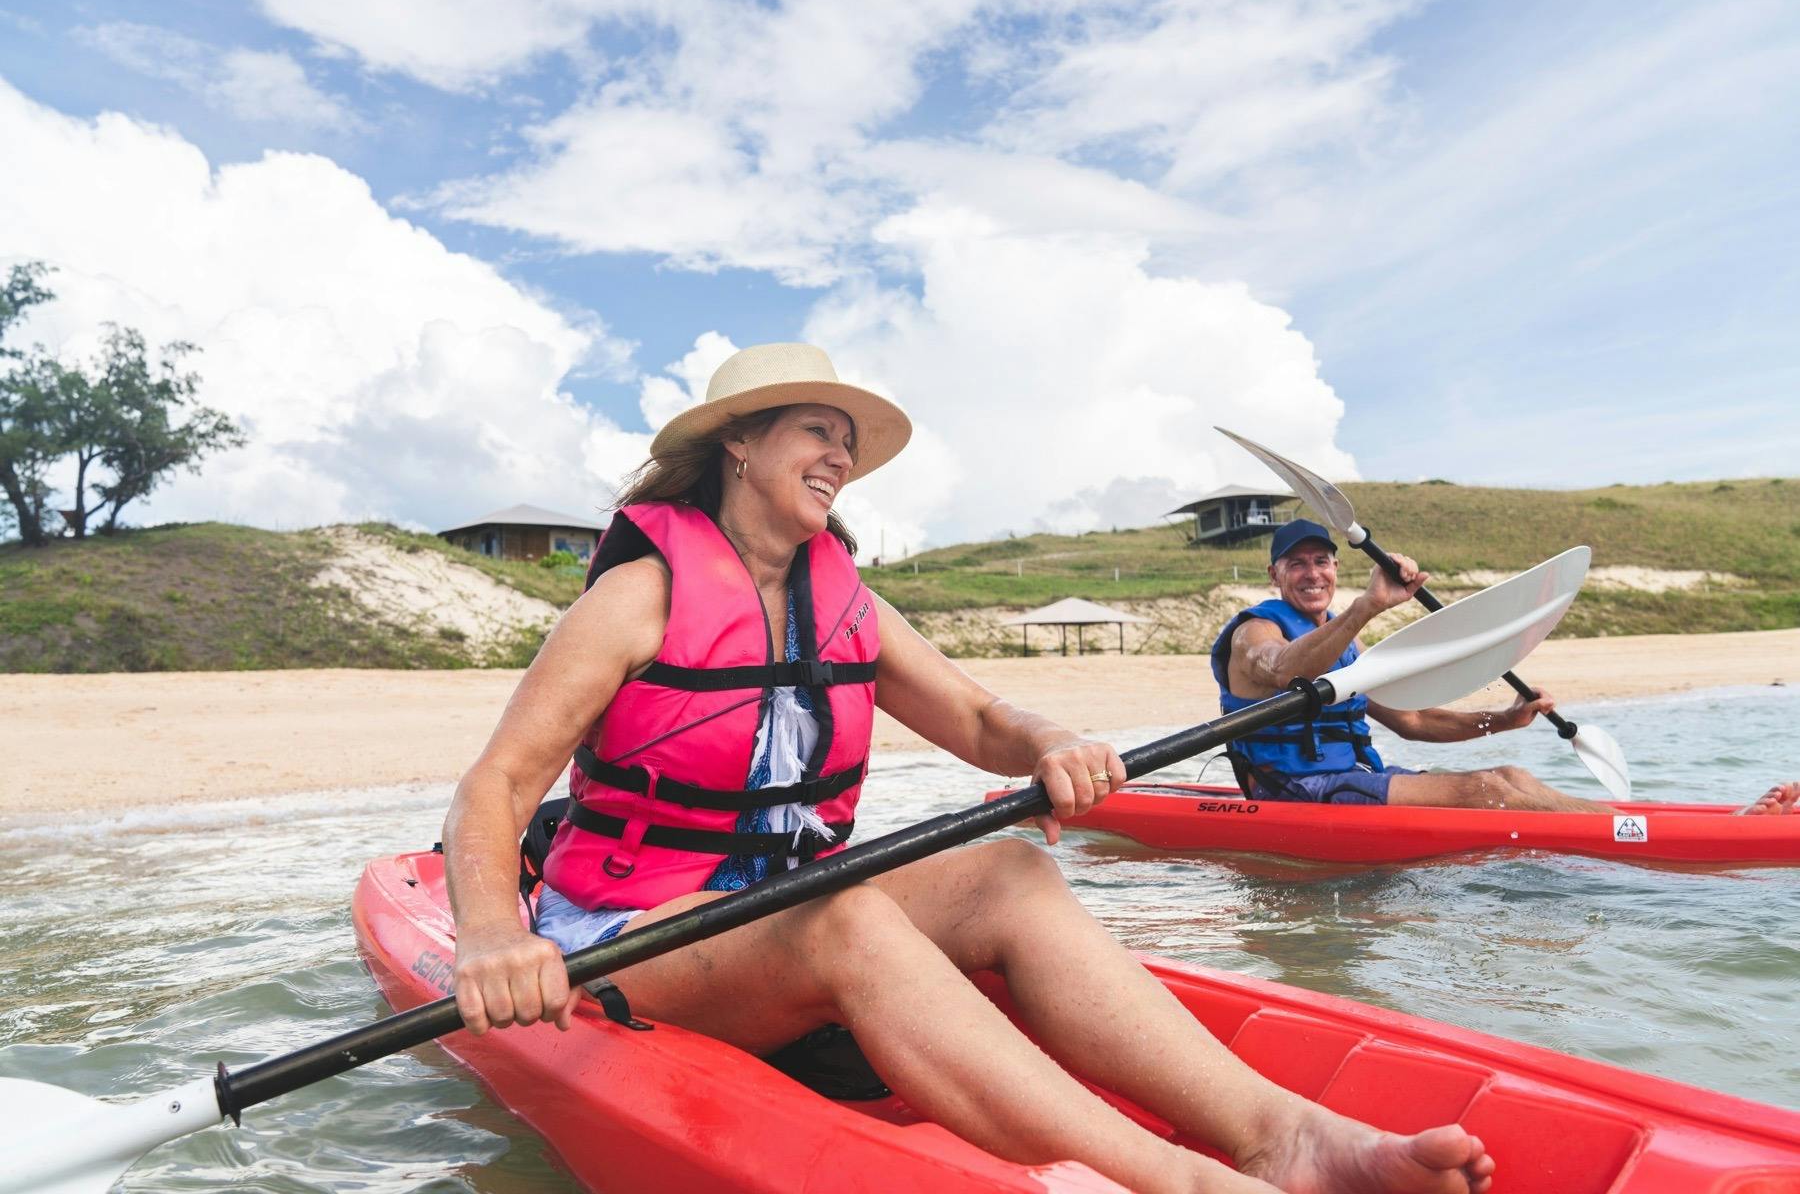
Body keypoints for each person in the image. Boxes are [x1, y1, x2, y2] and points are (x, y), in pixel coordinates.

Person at [440, 343, 1495, 1194]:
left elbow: (982, 718)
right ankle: (1185, 1184)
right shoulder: (639, 598)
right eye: (818, 431)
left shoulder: (842, 596)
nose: (839, 456)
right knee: (843, 918)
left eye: (847, 442)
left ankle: (1287, 1137)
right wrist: (491, 934)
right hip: (626, 936)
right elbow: (494, 790)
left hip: (773, 902)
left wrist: (1045, 741)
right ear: (740, 444)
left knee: (1010, 874)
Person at [1215, 520, 1791, 815]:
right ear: (1275, 575)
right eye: (1297, 565)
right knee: (1492, 790)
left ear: (1337, 568)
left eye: (1323, 562)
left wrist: (1504, 719)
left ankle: (1642, 821)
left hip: (1355, 779)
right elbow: (1285, 668)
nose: (1313, 574)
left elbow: (1412, 722)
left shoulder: (1341, 645)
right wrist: (1369, 606)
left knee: (1512, 777)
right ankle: (1657, 839)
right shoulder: (1254, 631)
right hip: (1295, 792)